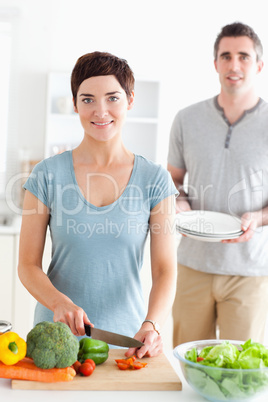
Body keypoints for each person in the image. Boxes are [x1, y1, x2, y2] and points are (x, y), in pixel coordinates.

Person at [18, 51, 178, 358]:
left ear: (130, 100)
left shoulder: (155, 179)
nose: (100, 111)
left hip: (128, 343)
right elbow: (27, 265)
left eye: (113, 98)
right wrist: (58, 302)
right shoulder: (46, 175)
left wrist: (152, 324)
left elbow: (165, 269)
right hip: (54, 342)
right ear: (75, 103)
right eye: (88, 99)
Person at [168, 22, 268, 347]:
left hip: (250, 270)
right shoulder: (186, 119)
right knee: (185, 363)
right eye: (225, 56)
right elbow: (173, 181)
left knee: (242, 373)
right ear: (215, 64)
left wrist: (259, 217)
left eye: (243, 56)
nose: (234, 65)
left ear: (259, 65)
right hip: (193, 264)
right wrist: (179, 203)